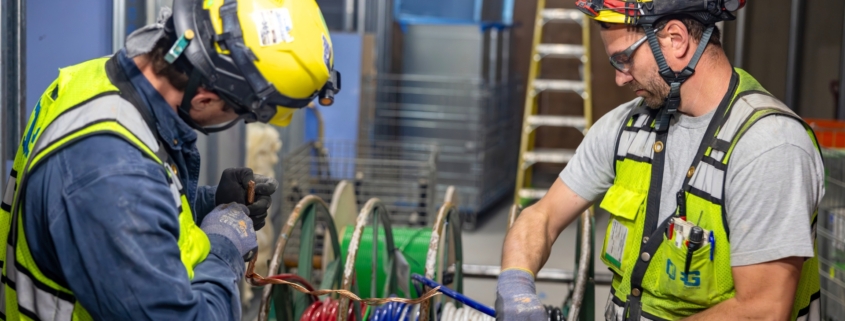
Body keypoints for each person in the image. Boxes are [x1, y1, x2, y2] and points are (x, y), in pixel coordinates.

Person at [0, 0, 340, 319]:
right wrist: (224, 247)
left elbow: (130, 225)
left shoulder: (96, 83)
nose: (236, 121)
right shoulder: (110, 173)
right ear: (205, 98)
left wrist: (209, 204)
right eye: (239, 113)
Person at [496, 1, 823, 320]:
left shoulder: (768, 144)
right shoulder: (625, 127)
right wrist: (516, 286)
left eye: (624, 58)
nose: (621, 78)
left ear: (675, 39)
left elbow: (763, 309)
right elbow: (542, 216)